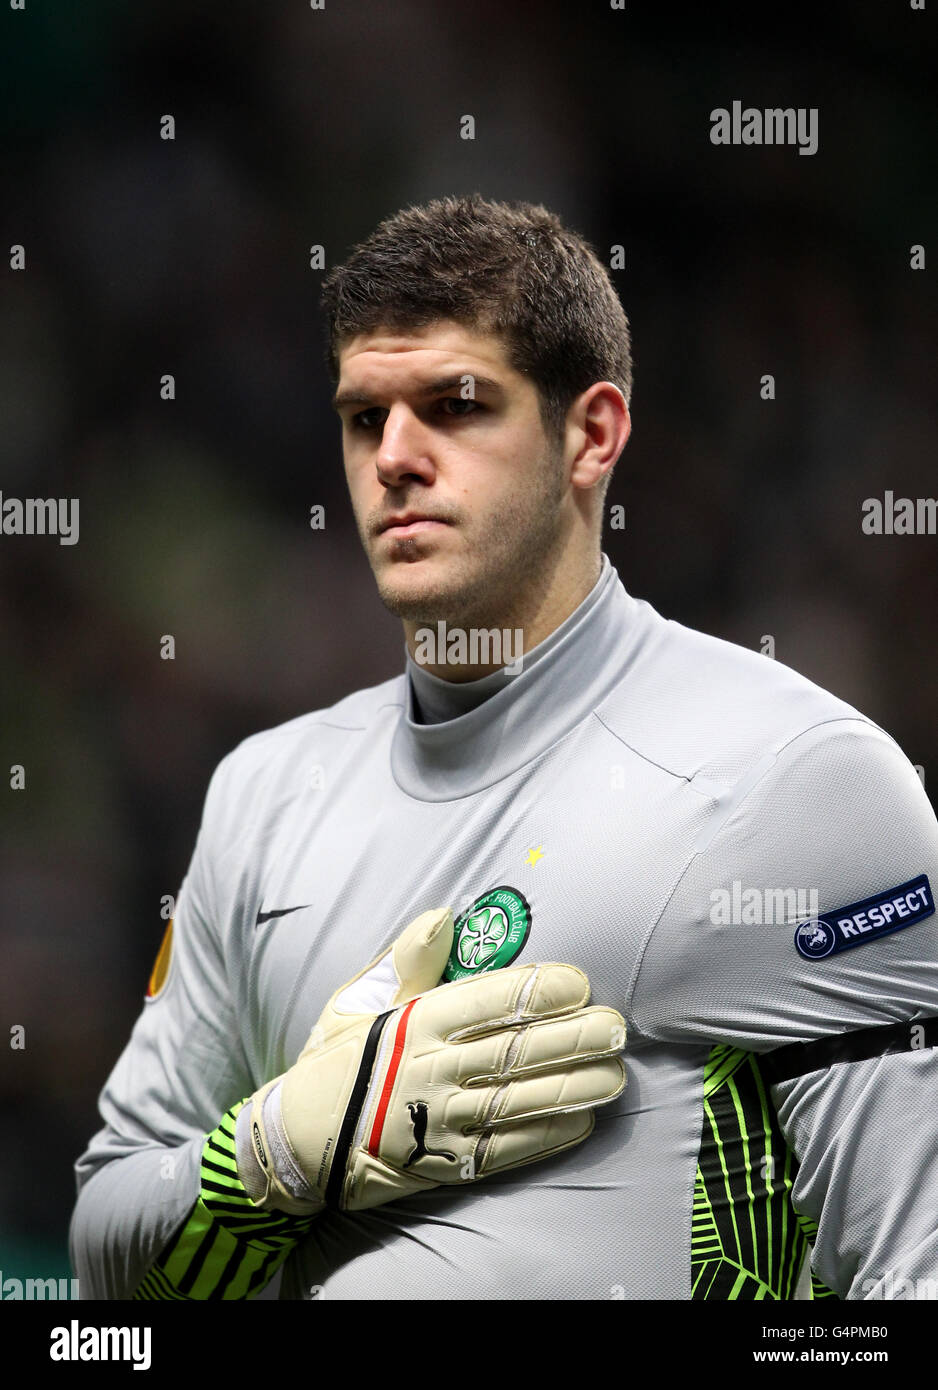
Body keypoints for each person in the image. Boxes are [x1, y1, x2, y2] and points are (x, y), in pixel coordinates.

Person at [70, 193, 938, 1301]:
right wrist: (282, 1150)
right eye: (361, 416)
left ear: (592, 433)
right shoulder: (263, 793)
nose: (392, 458)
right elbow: (106, 1272)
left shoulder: (798, 783)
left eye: (455, 404)